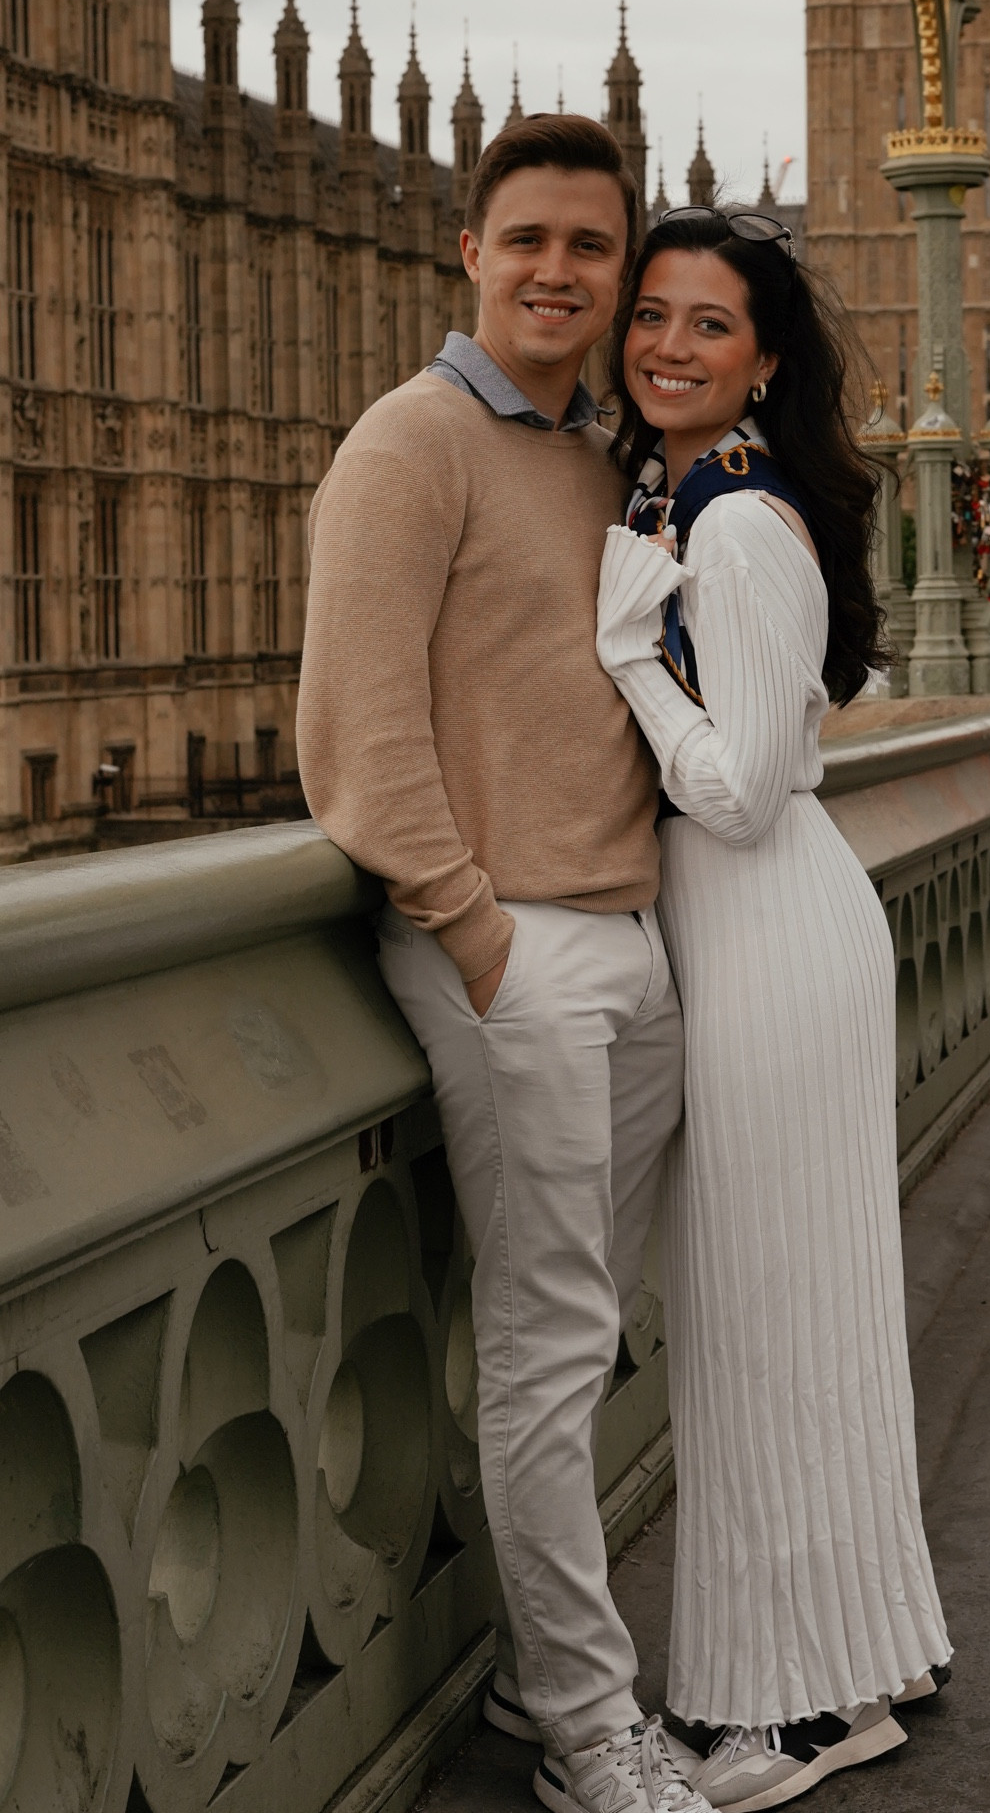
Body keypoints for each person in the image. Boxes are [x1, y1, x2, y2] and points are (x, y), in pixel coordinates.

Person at [298, 115, 713, 1813]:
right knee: (546, 1346)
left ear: (620, 277)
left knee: (594, 1329)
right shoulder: (412, 440)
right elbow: (357, 719)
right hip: (511, 950)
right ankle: (583, 1723)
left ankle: (577, 1680)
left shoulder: (605, 459)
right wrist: (474, 931)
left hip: (632, 936)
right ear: (469, 248)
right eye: (528, 237)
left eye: (590, 248)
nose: (558, 269)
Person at [594, 207, 951, 1811]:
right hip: (767, 936)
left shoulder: (732, 522)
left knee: (758, 1330)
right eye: (650, 316)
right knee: (810, 1318)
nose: (667, 344)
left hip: (762, 937)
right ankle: (871, 1653)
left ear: (766, 358)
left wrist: (633, 665)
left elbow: (738, 787)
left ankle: (796, 1710)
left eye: (707, 324)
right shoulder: (696, 495)